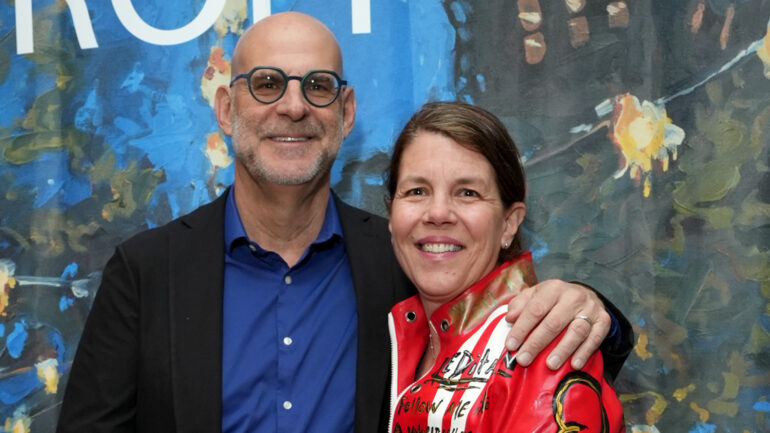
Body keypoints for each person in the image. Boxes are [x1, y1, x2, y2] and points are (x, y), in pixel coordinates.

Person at [56, 12, 632, 433]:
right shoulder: (147, 271)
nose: (293, 106)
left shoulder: (407, 260)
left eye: (318, 87)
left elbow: (506, 333)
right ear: (227, 111)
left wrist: (590, 303)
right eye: (266, 84)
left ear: (347, 112)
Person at [386, 101, 626, 432]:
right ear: (391, 215)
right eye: (417, 191)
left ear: (509, 224)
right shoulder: (398, 334)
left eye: (467, 192)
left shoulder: (540, 342)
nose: (437, 213)